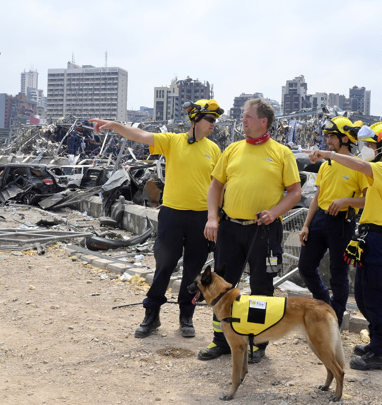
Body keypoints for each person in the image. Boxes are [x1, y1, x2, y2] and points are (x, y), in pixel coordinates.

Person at [89, 99, 224, 339]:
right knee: (164, 266)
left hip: (201, 218)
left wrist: (216, 217)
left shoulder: (214, 150)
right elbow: (140, 135)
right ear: (195, 119)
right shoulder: (173, 141)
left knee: (193, 270)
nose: (214, 124)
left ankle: (186, 316)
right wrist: (115, 125)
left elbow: (219, 186)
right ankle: (151, 315)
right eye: (210, 119)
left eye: (215, 120)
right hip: (172, 214)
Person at [200, 98, 301, 363]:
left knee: (261, 287)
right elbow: (215, 187)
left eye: (247, 116)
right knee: (220, 287)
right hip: (230, 229)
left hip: (264, 232)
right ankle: (221, 341)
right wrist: (212, 218)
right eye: (243, 116)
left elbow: (295, 192)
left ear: (263, 121)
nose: (242, 120)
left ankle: (257, 342)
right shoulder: (232, 150)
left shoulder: (282, 153)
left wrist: (275, 212)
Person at [305, 122, 382, 371]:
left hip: (381, 238)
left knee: (376, 297)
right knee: (363, 295)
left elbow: (360, 166)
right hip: (370, 236)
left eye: (371, 145)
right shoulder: (380, 171)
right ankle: (376, 343)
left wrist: (328, 154)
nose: (367, 149)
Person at [297, 117, 368, 328]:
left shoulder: (359, 167)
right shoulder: (326, 166)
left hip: (342, 222)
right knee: (305, 267)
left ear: (345, 139)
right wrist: (306, 225)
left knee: (339, 273)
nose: (328, 142)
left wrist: (346, 200)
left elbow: (367, 200)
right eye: (327, 137)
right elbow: (317, 197)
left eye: (332, 137)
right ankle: (325, 304)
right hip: (319, 219)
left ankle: (334, 319)